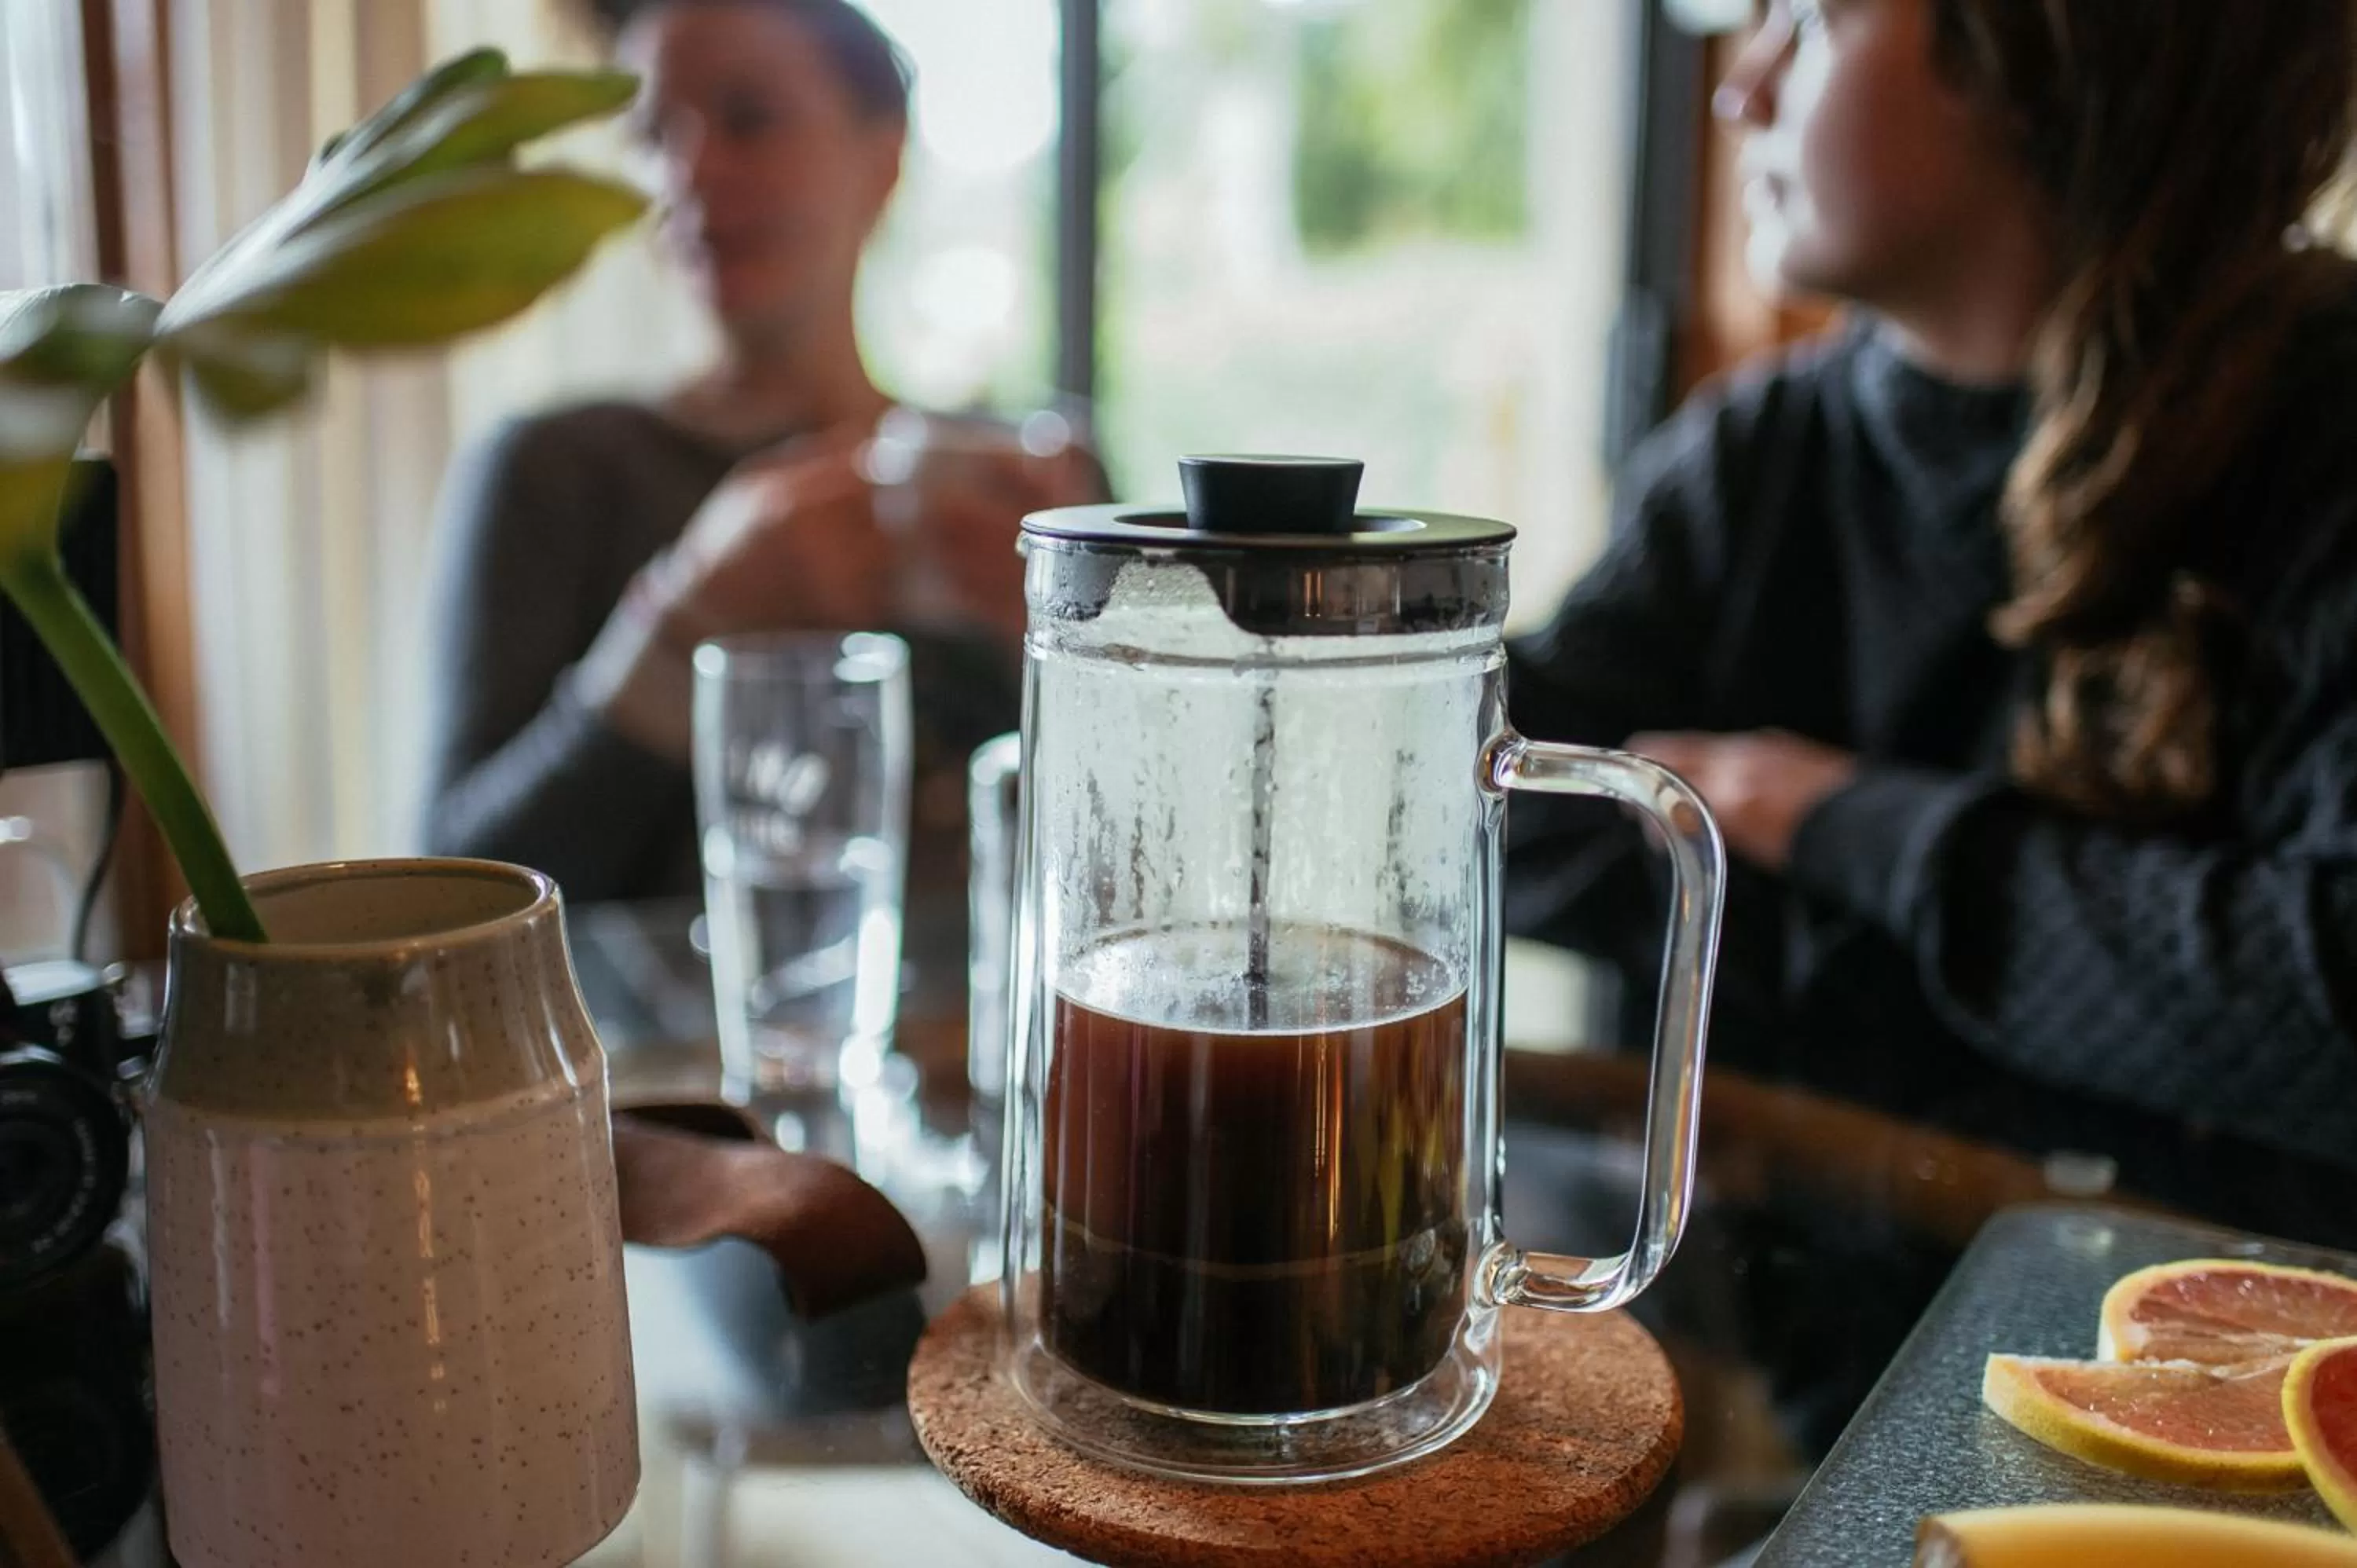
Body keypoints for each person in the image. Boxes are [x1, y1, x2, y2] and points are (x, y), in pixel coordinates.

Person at [1507, 0, 2357, 1244]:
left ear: (2043, 51)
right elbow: (1512, 810)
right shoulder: (1759, 455)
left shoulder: (2324, 433)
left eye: (1810, 19)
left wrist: (1836, 823)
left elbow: (2323, 1013)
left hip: (2211, 1378)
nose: (1739, 90)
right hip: (1799, 1376)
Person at [420, 0, 1097, 903]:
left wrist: (1070, 661)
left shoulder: (1024, 492)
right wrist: (682, 627)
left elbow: (1133, 870)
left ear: (883, 156)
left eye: (750, 120)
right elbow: (455, 893)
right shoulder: (551, 473)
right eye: (654, 133)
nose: (687, 173)